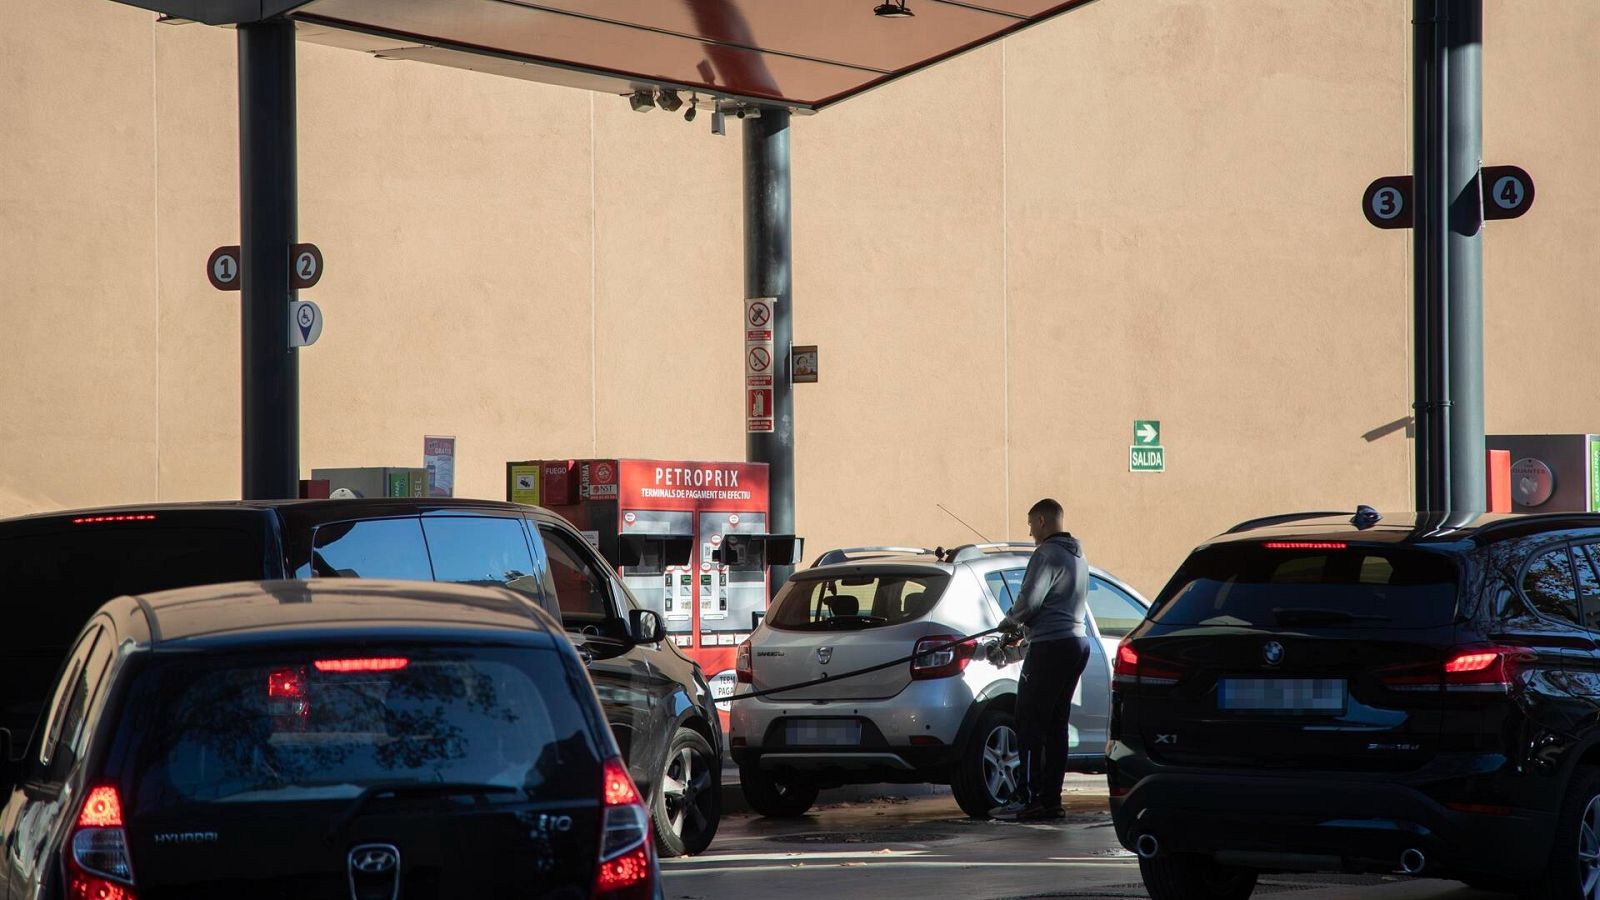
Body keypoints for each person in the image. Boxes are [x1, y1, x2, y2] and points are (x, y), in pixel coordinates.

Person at [992, 497, 1092, 821]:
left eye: (1031, 523)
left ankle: (1029, 799)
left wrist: (1009, 622)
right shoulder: (1078, 554)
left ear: (1043, 522)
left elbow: (1030, 601)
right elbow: (1058, 604)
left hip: (1050, 648)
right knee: (1056, 725)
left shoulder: (1045, 554)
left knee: (1029, 723)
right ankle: (1052, 801)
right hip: (1076, 644)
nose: (1030, 530)